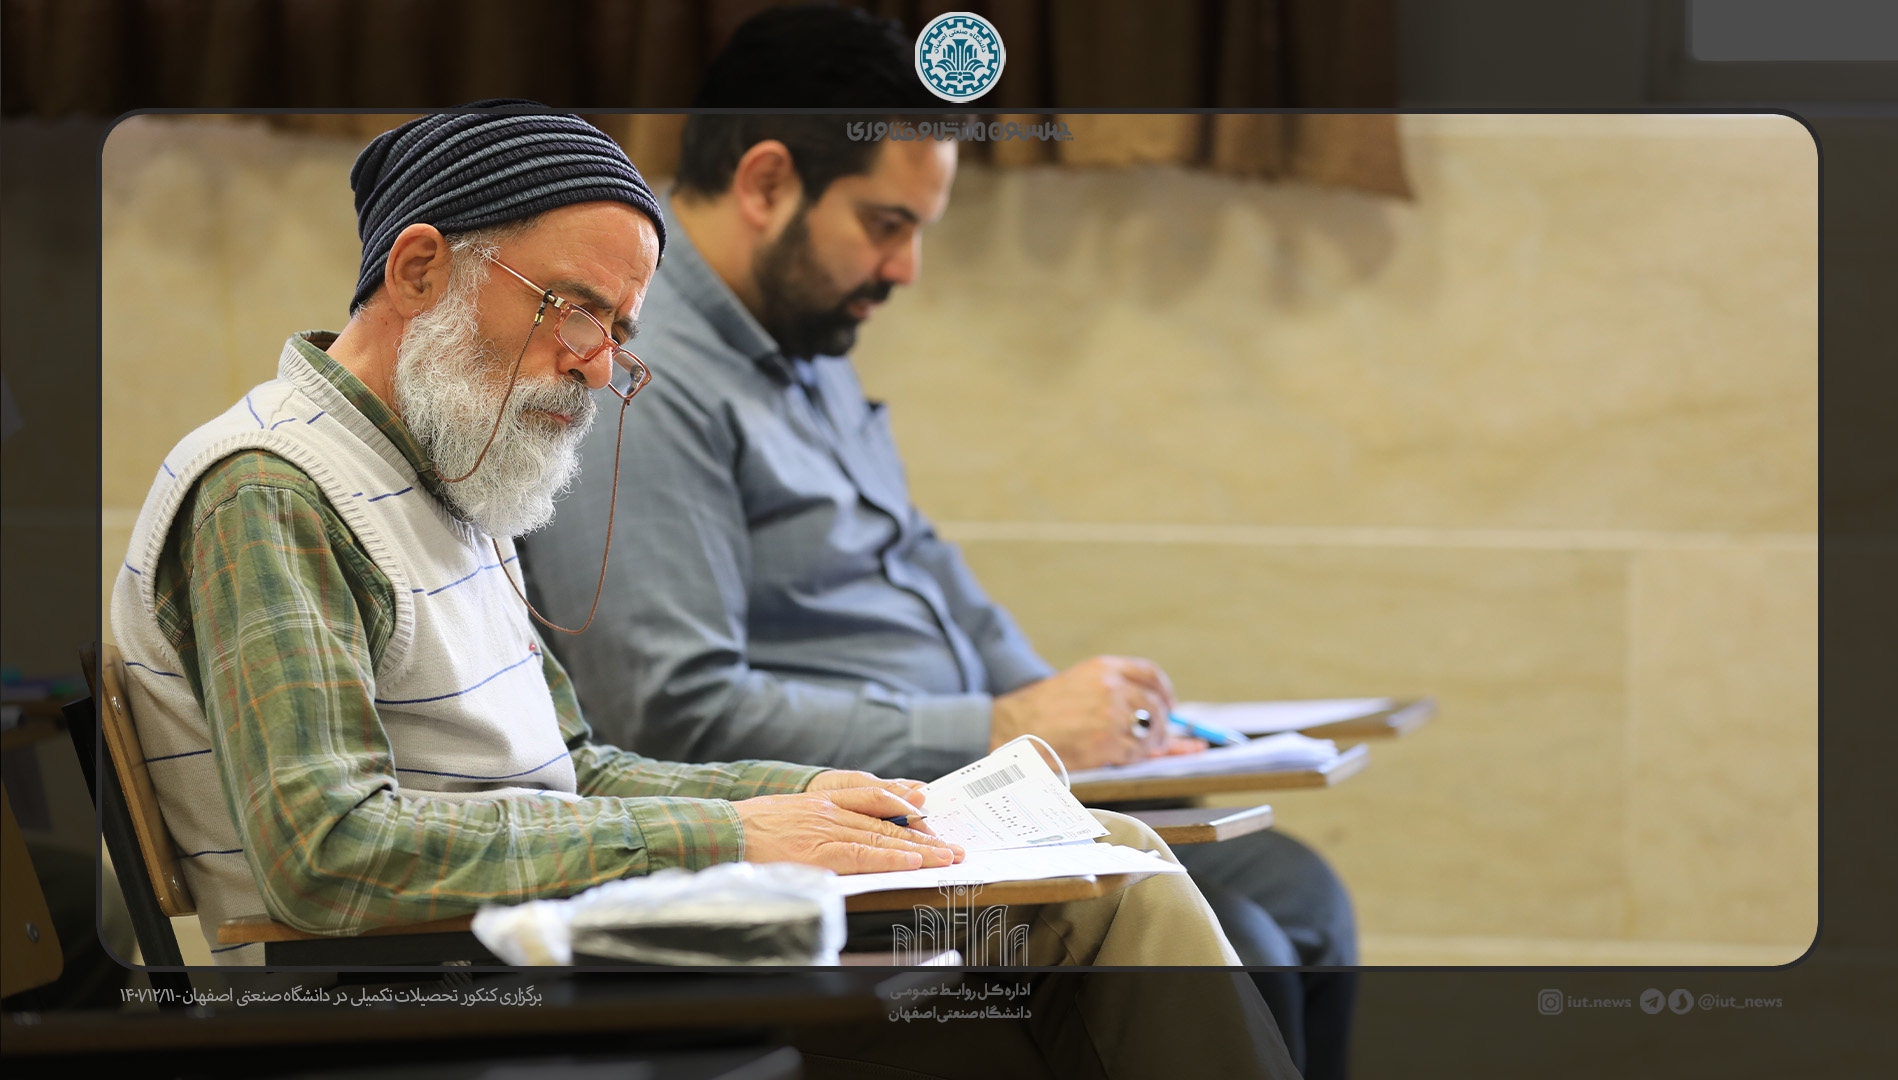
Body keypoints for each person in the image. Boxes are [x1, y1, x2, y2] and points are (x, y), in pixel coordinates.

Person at [106, 105, 1298, 1080]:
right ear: (419, 269)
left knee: (1102, 864)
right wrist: (732, 832)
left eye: (618, 329)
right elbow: (330, 854)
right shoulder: (270, 489)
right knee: (1036, 982)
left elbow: (578, 769)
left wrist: (808, 796)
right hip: (430, 998)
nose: (597, 366)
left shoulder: (442, 471)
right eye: (573, 307)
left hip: (537, 949)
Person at [518, 9, 1356, 1078]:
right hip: (845, 838)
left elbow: (922, 567)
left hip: (967, 797)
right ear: (766, 183)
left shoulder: (805, 345)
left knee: (1302, 895)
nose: (907, 268)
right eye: (885, 224)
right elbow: (669, 713)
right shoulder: (648, 384)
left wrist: (1093, 724)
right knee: (1252, 938)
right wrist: (1001, 726)